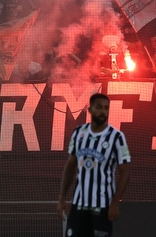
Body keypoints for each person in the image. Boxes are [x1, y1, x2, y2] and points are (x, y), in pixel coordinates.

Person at [57, 93, 131, 237]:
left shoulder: (117, 137)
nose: (103, 111)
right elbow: (70, 166)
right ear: (90, 109)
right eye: (99, 107)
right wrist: (62, 198)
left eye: (106, 108)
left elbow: (125, 172)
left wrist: (115, 203)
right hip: (79, 205)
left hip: (103, 206)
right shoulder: (78, 133)